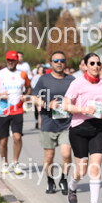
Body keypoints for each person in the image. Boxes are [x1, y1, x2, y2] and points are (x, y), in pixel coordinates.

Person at [62, 53, 102, 203]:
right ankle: (72, 185)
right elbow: (66, 105)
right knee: (82, 169)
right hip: (79, 128)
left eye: (98, 63)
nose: (96, 66)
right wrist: (83, 109)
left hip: (98, 128)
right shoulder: (77, 83)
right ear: (85, 65)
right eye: (92, 63)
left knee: (95, 166)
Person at [31, 51, 74, 195]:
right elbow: (33, 97)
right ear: (51, 63)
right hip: (48, 123)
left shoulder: (71, 80)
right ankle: (50, 180)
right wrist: (47, 104)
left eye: (62, 60)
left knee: (66, 154)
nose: (59, 63)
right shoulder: (44, 79)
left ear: (65, 63)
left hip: (67, 124)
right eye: (56, 61)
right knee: (49, 157)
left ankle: (63, 179)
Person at [0, 50, 31, 174]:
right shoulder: (0, 74)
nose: (10, 62)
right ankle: (5, 163)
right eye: (9, 60)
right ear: (6, 60)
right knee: (3, 140)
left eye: (13, 60)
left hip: (17, 109)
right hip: (3, 110)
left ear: (17, 61)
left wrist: (25, 96)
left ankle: (16, 162)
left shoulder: (23, 74)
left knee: (17, 137)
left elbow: (28, 87)